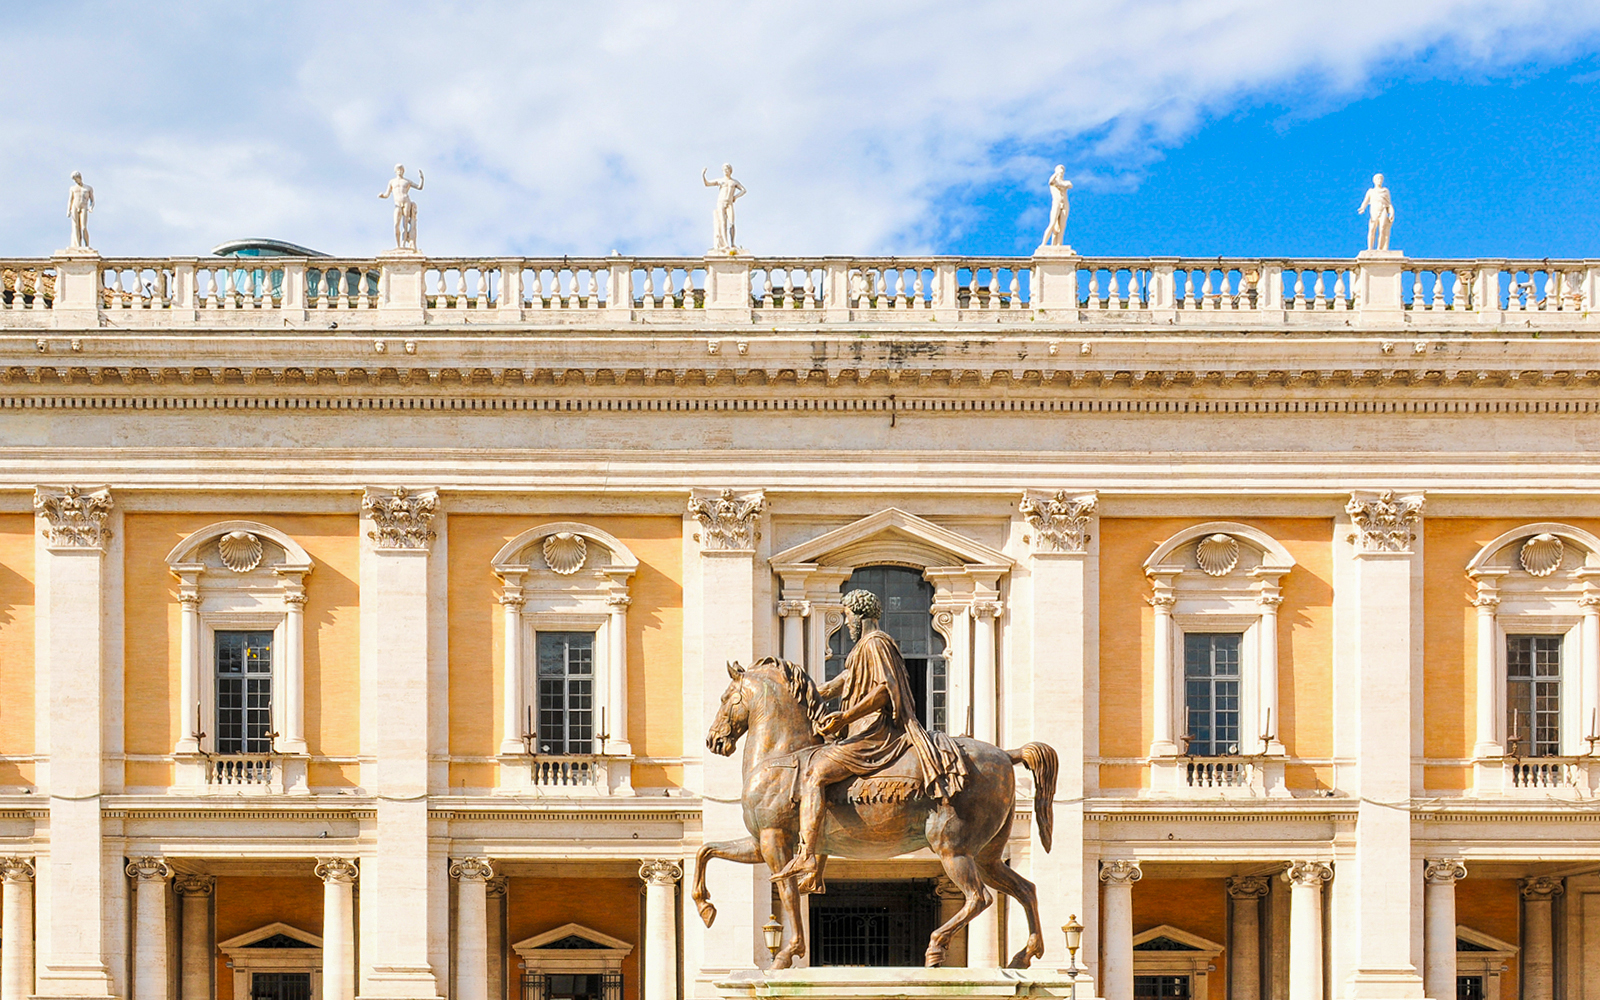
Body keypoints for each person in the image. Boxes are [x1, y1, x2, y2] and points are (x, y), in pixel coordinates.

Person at [771, 627, 968, 894]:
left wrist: (845, 716)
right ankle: (816, 870)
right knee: (826, 783)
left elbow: (884, 692)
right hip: (856, 731)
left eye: (849, 615)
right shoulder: (859, 652)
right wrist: (788, 696)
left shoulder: (875, 643)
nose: (847, 622)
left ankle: (807, 854)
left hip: (874, 733)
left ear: (858, 614)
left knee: (815, 775)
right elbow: (830, 688)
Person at [702, 163, 746, 252]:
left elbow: (743, 190)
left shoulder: (734, 182)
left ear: (730, 170)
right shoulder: (720, 180)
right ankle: (725, 243)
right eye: (724, 169)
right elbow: (707, 184)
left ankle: (733, 243)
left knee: (732, 223)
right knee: (722, 222)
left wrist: (735, 197)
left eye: (727, 169)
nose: (726, 171)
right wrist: (703, 175)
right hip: (721, 202)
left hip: (729, 202)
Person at [379, 164, 425, 250]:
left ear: (403, 171)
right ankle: (398, 245)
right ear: (395, 171)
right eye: (398, 169)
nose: (400, 171)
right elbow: (387, 194)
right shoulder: (392, 182)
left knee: (405, 224)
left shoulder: (407, 181)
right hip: (397, 203)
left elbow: (419, 187)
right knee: (396, 224)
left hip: (406, 201)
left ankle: (403, 244)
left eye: (401, 170)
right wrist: (382, 195)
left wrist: (422, 178)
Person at [1357, 173, 1394, 252]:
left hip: (1383, 209)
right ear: (1374, 181)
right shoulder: (1371, 191)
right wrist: (1362, 208)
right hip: (1374, 210)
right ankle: (1370, 248)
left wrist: (1392, 212)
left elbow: (1389, 203)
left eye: (1381, 179)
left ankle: (1380, 248)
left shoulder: (1385, 191)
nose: (1379, 181)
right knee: (1372, 229)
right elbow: (1366, 201)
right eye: (1377, 179)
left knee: (1382, 229)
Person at [1041, 165, 1072, 247]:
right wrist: (1056, 174)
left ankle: (1059, 244)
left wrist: (1060, 183)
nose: (1061, 173)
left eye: (1062, 172)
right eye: (1059, 171)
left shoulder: (1065, 182)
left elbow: (1069, 185)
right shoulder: (1053, 182)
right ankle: (1043, 244)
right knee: (1052, 223)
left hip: (1065, 203)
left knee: (1062, 225)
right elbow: (1051, 181)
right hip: (1056, 203)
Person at [67, 172, 94, 250]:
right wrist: (68, 210)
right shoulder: (72, 188)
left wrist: (91, 207)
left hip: (84, 206)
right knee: (75, 226)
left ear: (79, 177)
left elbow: (92, 200)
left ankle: (86, 245)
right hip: (74, 206)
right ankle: (78, 246)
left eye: (76, 179)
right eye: (74, 179)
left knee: (83, 227)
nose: (75, 181)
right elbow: (70, 199)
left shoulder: (88, 188)